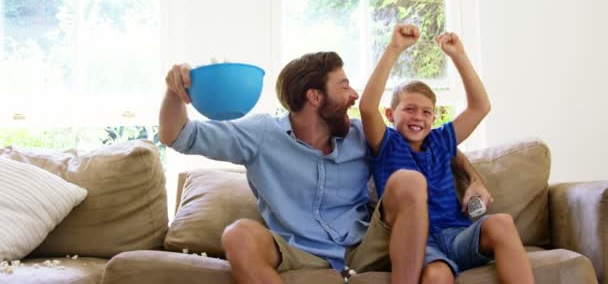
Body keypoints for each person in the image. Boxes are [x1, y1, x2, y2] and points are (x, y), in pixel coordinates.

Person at [159, 51, 491, 284]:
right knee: (238, 235)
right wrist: (175, 92)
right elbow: (177, 135)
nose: (354, 94)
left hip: (366, 243)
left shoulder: (361, 134)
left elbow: (432, 145)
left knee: (408, 180)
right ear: (315, 97)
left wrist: (473, 179)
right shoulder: (261, 135)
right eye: (344, 85)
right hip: (299, 249)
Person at [359, 23, 535, 284]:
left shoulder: (441, 140)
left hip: (456, 234)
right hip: (419, 241)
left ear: (435, 117)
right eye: (409, 109)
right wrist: (394, 49)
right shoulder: (387, 143)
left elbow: (480, 106)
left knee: (502, 222)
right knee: (438, 274)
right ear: (390, 114)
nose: (418, 117)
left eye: (426, 111)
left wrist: (458, 56)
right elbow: (367, 106)